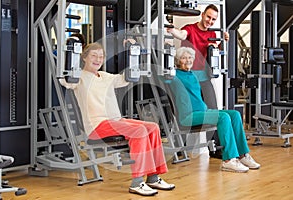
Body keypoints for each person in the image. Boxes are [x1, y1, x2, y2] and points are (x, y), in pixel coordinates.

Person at [59, 42, 175, 196]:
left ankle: (153, 177)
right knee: (139, 131)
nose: (98, 59)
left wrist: (133, 52)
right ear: (84, 57)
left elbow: (126, 78)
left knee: (152, 127)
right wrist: (69, 53)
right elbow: (63, 79)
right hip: (97, 125)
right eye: (93, 56)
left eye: (101, 56)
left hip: (116, 121)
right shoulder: (78, 77)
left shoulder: (106, 76)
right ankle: (137, 182)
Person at [163, 47, 260, 173]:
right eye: (183, 58)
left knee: (235, 114)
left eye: (190, 57)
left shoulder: (193, 73)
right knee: (223, 117)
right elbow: (162, 76)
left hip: (204, 112)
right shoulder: (174, 76)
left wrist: (220, 45)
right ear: (177, 61)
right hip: (188, 116)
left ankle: (242, 155)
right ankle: (229, 160)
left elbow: (209, 73)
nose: (188, 60)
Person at [167, 4, 229, 158]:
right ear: (202, 15)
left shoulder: (213, 33)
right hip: (187, 77)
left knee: (213, 110)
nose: (210, 21)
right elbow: (182, 35)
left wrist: (223, 40)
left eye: (213, 19)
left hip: (204, 76)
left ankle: (215, 149)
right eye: (208, 17)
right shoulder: (190, 28)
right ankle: (179, 149)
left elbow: (216, 51)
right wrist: (172, 31)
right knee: (183, 110)